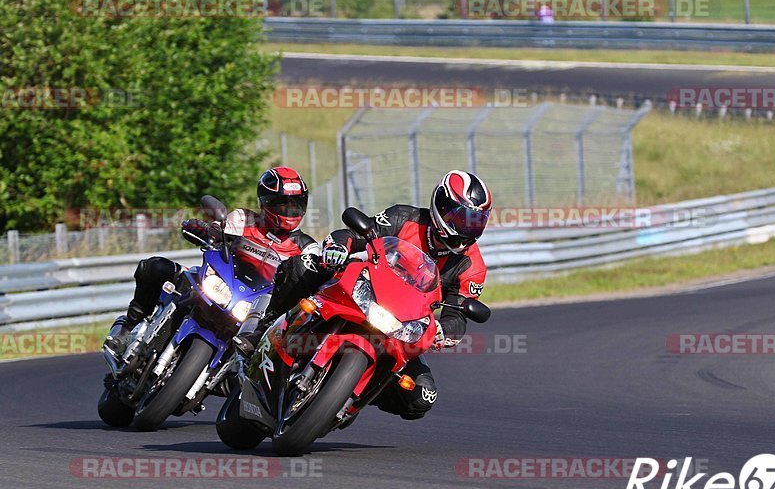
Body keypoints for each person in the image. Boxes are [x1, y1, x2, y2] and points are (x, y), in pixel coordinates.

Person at [239, 170, 493, 420]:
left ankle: (348, 393)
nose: (468, 229)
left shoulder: (472, 266)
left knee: (421, 396)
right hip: (361, 291)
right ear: (442, 206)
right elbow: (356, 234)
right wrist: (338, 246)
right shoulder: (403, 218)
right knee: (306, 264)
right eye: (462, 219)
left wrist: (444, 330)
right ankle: (260, 329)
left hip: (401, 324)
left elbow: (459, 314)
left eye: (476, 221)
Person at [103, 166, 319, 357]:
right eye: (283, 204)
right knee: (154, 267)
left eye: (296, 204)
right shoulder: (244, 219)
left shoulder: (306, 247)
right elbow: (218, 230)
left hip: (254, 309)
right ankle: (128, 327)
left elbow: (316, 274)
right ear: (266, 201)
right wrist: (203, 229)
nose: (290, 210)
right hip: (219, 281)